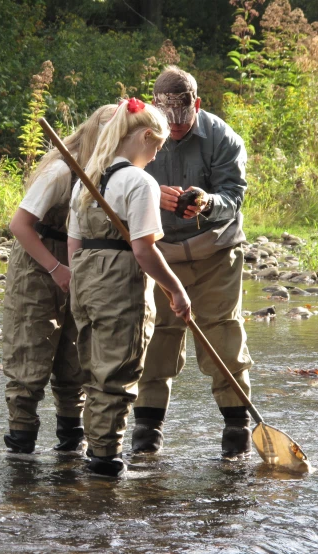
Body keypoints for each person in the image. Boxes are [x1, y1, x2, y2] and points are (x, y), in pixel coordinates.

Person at [130, 66, 254, 460]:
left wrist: (205, 202)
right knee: (156, 340)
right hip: (159, 254)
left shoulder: (224, 139)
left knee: (223, 338)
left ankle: (236, 435)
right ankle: (147, 438)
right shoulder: (136, 134)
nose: (175, 130)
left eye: (182, 122)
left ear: (196, 105)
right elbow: (115, 182)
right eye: (169, 123)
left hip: (215, 253)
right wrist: (153, 195)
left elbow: (233, 196)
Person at [67, 98, 191, 477]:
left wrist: (85, 284)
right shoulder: (138, 182)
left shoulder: (87, 181)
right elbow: (143, 249)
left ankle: (95, 453)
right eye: (156, 147)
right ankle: (105, 463)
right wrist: (175, 289)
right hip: (120, 283)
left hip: (85, 282)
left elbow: (74, 246)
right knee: (117, 373)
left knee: (93, 370)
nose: (155, 157)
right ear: (145, 137)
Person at [3, 104, 116, 455]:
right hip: (37, 265)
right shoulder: (59, 172)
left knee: (75, 354)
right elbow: (19, 226)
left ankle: (71, 442)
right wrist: (55, 268)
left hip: (78, 263)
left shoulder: (108, 172)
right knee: (30, 351)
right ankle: (21, 446)